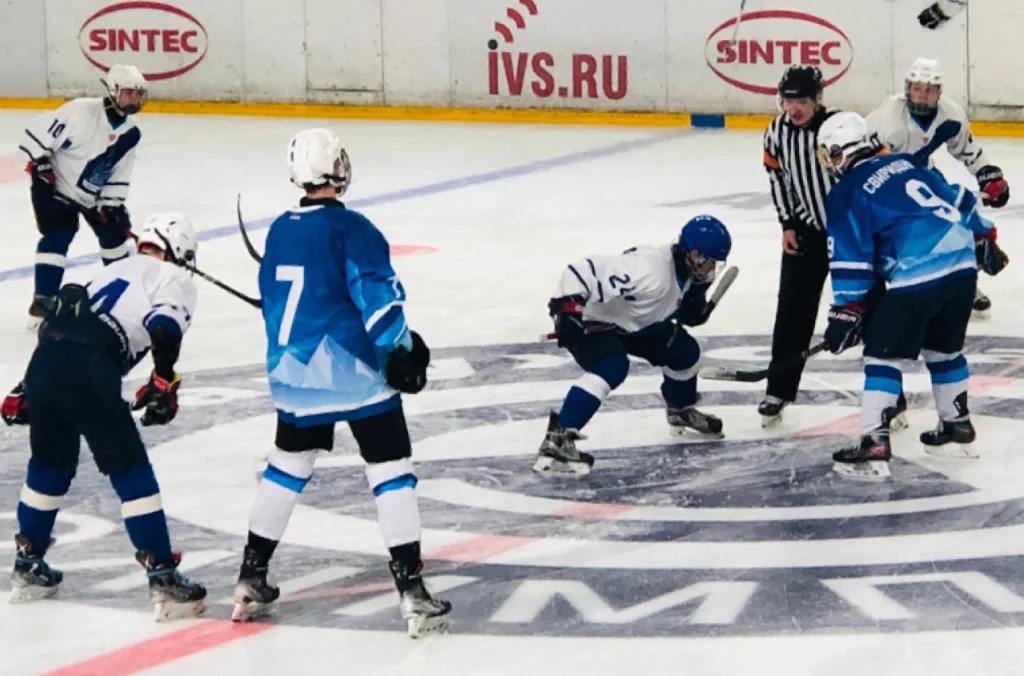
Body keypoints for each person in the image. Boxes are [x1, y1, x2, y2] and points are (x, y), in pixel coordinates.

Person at [230, 128, 451, 638]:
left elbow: (274, 302)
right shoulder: (354, 229)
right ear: (338, 168)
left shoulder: (280, 229)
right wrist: (403, 350)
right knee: (390, 469)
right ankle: (411, 589)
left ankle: (250, 575)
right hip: (355, 375)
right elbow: (380, 309)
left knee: (286, 467)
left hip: (292, 376)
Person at [2, 213, 207, 620]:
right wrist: (164, 379)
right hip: (90, 367)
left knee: (49, 464)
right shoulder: (173, 277)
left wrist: (27, 385)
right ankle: (163, 576)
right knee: (130, 469)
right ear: (182, 253)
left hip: (45, 362)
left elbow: (60, 324)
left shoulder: (111, 269)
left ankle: (28, 564)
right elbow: (164, 328)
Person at [816, 111, 1009, 479]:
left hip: (918, 274)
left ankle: (873, 440)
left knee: (881, 355)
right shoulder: (907, 161)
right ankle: (956, 424)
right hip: (962, 267)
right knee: (944, 350)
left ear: (840, 151)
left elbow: (850, 257)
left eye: (828, 154)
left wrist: (847, 308)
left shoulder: (846, 192)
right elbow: (959, 199)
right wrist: (984, 235)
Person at [536, 215, 731, 476]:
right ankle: (557, 440)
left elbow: (679, 308)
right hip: (594, 321)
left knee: (685, 352)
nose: (711, 269)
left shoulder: (685, 272)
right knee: (612, 366)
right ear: (693, 254)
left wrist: (693, 307)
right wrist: (567, 310)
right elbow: (581, 271)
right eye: (709, 261)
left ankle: (680, 411)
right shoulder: (648, 270)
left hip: (635, 325)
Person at [866, 57, 1010, 316]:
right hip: (884, 180)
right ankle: (895, 287)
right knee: (902, 233)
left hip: (923, 172)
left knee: (958, 222)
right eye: (917, 88)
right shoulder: (889, 120)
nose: (922, 96)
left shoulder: (950, 115)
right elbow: (867, 163)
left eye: (929, 90)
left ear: (939, 92)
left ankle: (963, 283)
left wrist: (988, 176)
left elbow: (967, 150)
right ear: (907, 88)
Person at [16, 64, 147, 326]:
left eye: (138, 93)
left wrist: (112, 205)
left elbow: (119, 173)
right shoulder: (79, 112)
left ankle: (124, 298)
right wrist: (40, 165)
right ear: (113, 90)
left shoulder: (131, 133)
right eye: (128, 92)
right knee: (59, 234)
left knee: (113, 237)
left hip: (91, 195)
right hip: (54, 187)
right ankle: (43, 301)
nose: (134, 99)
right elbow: (33, 139)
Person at [758, 64, 840, 427]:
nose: (794, 108)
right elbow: (778, 179)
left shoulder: (839, 128)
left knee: (867, 312)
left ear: (817, 99)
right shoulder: (776, 131)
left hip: (849, 236)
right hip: (806, 233)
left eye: (802, 101)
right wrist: (788, 224)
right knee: (792, 314)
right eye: (788, 100)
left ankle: (889, 397)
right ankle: (778, 390)